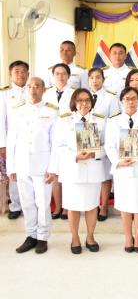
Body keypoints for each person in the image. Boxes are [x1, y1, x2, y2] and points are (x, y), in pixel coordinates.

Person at [6, 77, 58, 254]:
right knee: (27, 202)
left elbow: (55, 143)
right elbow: (11, 140)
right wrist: (11, 167)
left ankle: (42, 237)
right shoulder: (17, 110)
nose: (32, 89)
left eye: (37, 86)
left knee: (43, 203)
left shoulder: (52, 111)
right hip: (22, 164)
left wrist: (53, 168)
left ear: (44, 90)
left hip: (42, 166)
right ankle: (31, 235)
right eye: (29, 86)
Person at [105, 87, 138, 253]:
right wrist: (118, 161)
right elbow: (109, 146)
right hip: (122, 170)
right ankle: (128, 237)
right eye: (127, 98)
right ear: (121, 101)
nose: (130, 102)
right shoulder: (113, 121)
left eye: (133, 98)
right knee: (125, 205)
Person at [52, 89, 106, 254]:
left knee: (91, 206)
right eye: (80, 100)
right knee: (73, 206)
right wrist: (74, 156)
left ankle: (90, 237)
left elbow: (107, 146)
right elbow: (58, 147)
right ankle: (75, 238)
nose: (84, 104)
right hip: (72, 171)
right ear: (74, 102)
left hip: (93, 169)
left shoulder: (100, 120)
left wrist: (94, 152)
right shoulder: (64, 121)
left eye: (87, 100)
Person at [87, 67, 120, 221]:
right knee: (92, 173)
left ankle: (105, 205)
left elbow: (114, 119)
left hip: (105, 139)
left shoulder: (111, 97)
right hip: (86, 139)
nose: (95, 80)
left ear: (103, 79)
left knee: (105, 174)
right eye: (92, 78)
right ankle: (93, 204)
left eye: (98, 77)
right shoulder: (82, 95)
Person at [44, 63, 75, 220]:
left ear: (69, 76)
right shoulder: (45, 93)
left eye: (63, 74)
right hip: (49, 138)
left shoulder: (75, 93)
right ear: (53, 75)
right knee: (54, 173)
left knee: (66, 173)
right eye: (57, 73)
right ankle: (58, 206)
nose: (60, 77)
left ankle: (67, 208)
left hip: (67, 137)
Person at [0, 60, 29, 219]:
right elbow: (1, 120)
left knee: (31, 171)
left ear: (28, 74)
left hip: (31, 140)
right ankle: (16, 206)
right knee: (14, 173)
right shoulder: (4, 94)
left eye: (24, 71)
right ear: (10, 75)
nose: (20, 74)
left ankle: (30, 205)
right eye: (17, 71)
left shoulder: (35, 89)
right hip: (13, 140)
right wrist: (2, 144)